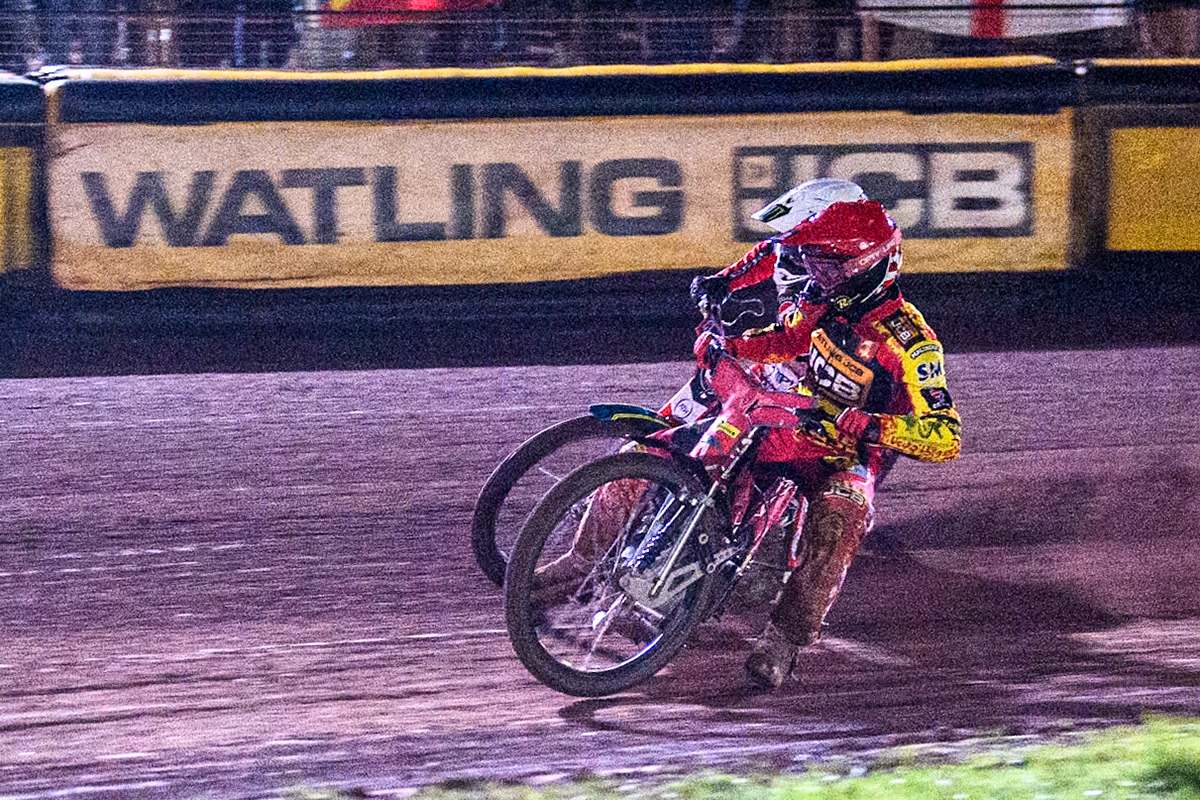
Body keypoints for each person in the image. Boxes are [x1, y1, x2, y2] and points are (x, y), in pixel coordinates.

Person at [692, 188, 962, 689]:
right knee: (717, 451)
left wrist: (860, 423)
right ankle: (676, 563)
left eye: (832, 269)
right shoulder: (822, 301)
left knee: (839, 519)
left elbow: (945, 437)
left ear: (869, 269)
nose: (816, 277)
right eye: (816, 265)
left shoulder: (912, 343)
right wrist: (731, 341)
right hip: (799, 414)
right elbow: (786, 341)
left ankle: (784, 639)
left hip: (852, 452)